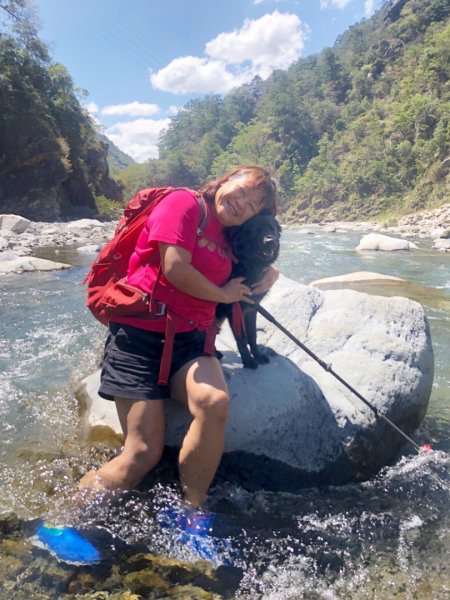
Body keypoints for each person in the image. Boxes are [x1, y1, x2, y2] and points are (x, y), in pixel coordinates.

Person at [79, 165, 279, 509]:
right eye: (241, 191)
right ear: (226, 180)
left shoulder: (233, 234)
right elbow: (176, 269)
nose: (240, 204)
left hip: (190, 341)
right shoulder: (183, 204)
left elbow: (256, 258)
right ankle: (63, 520)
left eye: (252, 204)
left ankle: (193, 509)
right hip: (139, 338)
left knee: (214, 403)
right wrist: (225, 296)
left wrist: (270, 273)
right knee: (142, 453)